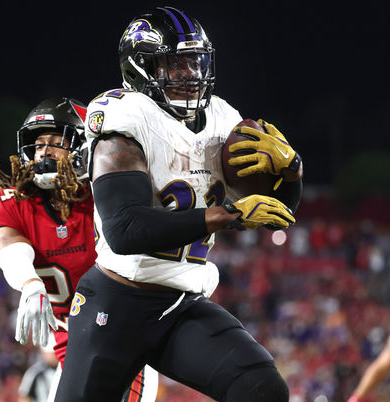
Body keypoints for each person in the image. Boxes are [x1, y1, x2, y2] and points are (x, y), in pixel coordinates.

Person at [55, 6, 303, 402]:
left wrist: (291, 172)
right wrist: (227, 215)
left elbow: (278, 216)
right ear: (141, 68)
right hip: (117, 303)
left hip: (181, 304)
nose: (190, 75)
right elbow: (125, 229)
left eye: (195, 62)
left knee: (261, 388)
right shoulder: (125, 118)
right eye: (175, 64)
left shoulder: (224, 119)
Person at [0, 97, 157, 402]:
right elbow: (7, 244)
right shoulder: (11, 203)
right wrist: (30, 283)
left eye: (56, 142)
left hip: (122, 338)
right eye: (38, 144)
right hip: (70, 346)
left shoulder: (106, 196)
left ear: (84, 146)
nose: (43, 151)